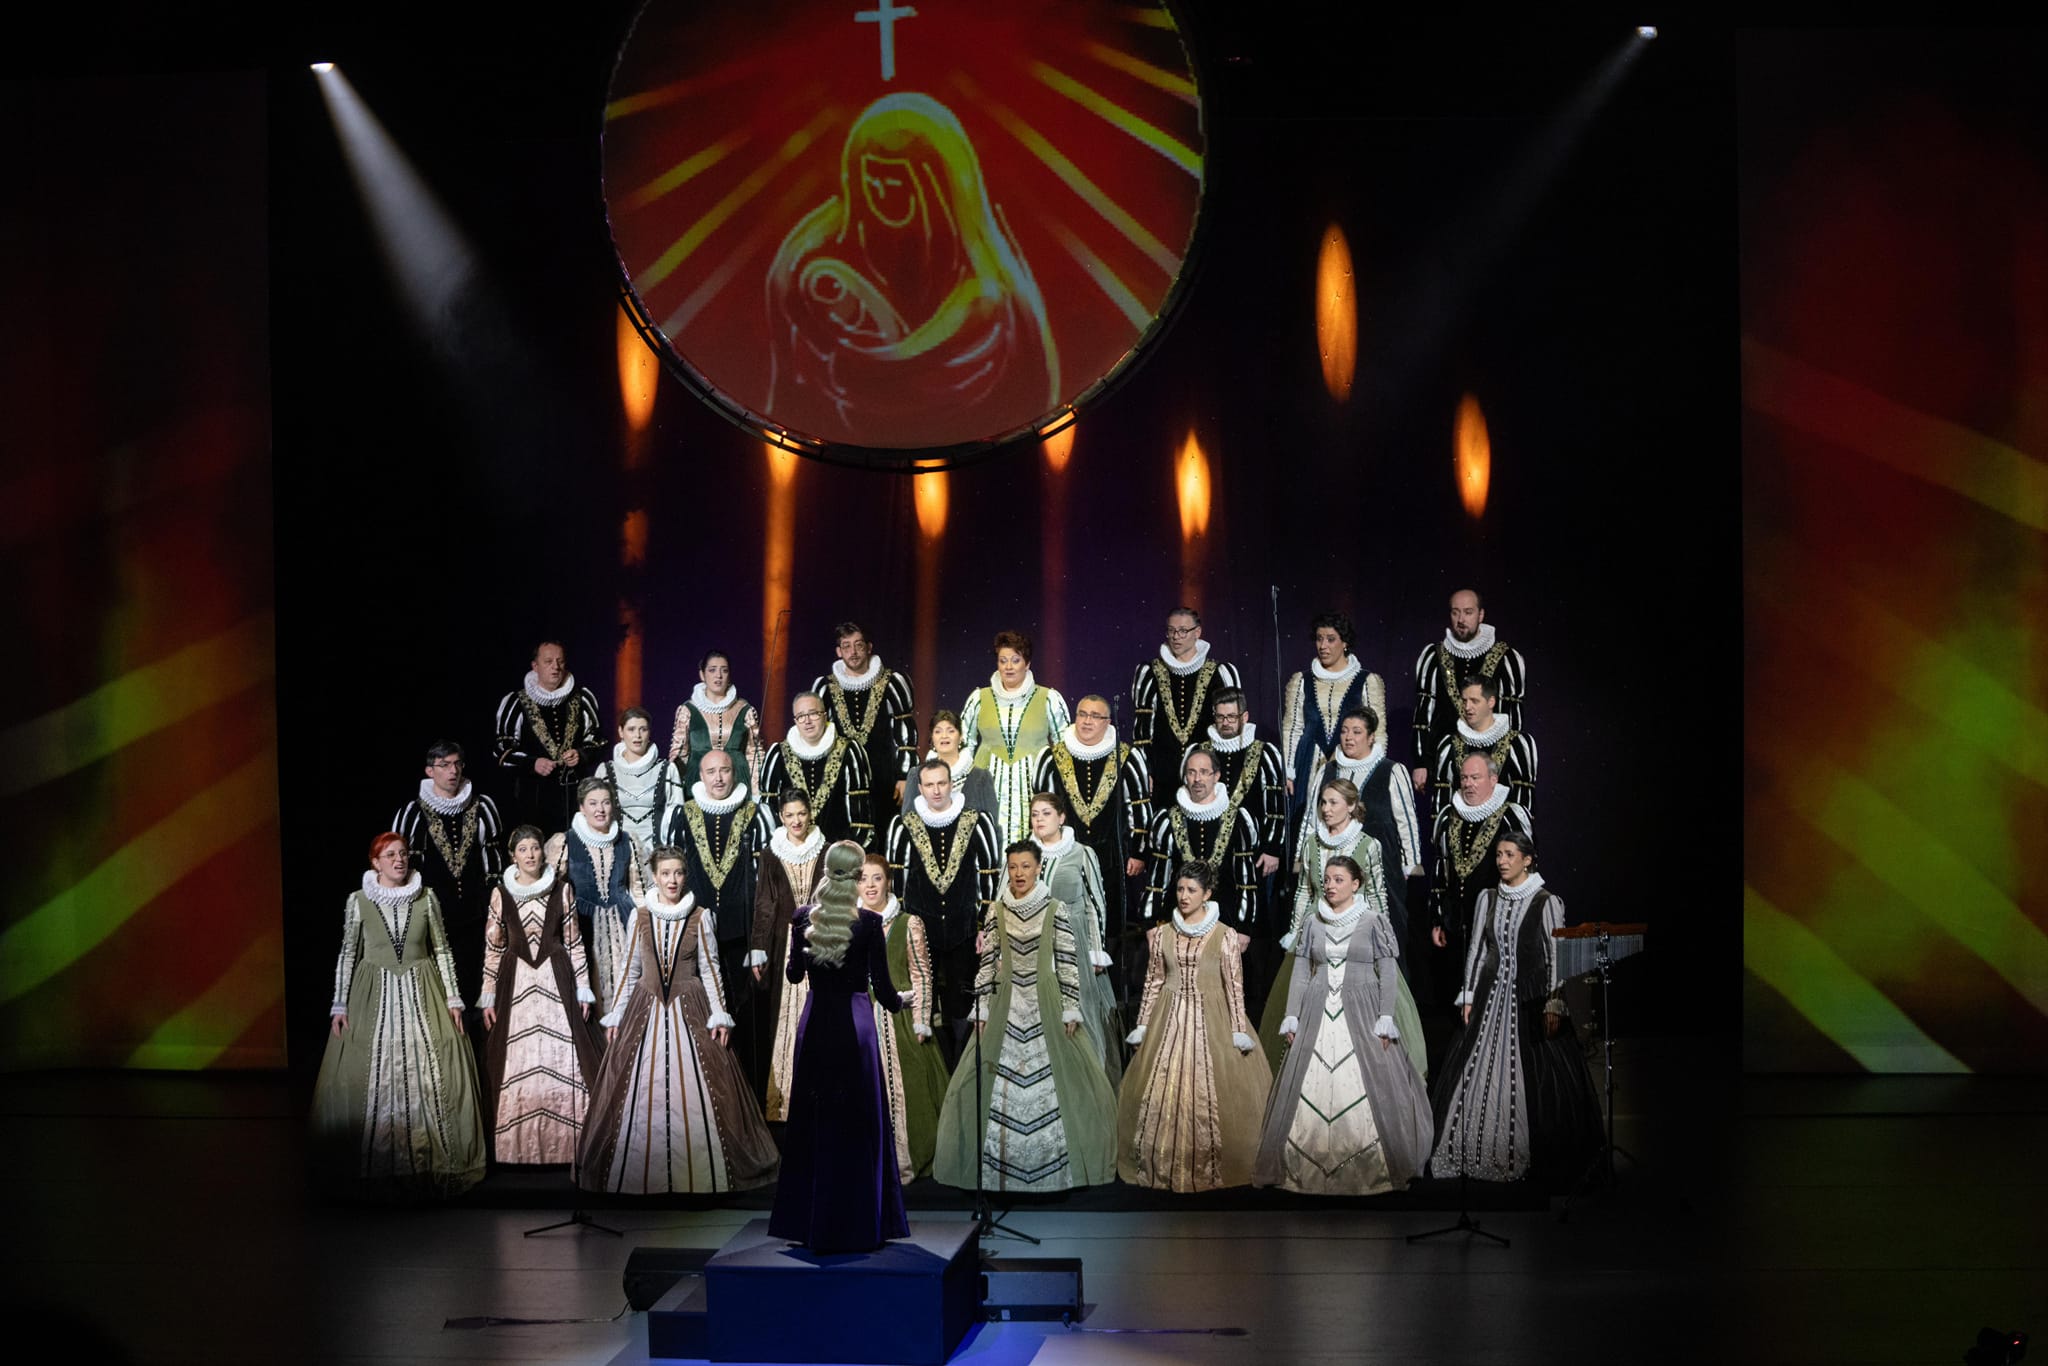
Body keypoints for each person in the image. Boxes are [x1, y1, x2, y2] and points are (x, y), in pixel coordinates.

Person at [576, 847, 779, 1195]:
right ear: (655, 877)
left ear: (685, 876)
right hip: (646, 1004)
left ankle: (699, 1171)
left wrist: (719, 1014)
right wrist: (617, 1015)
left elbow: (711, 970)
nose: (672, 880)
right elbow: (629, 970)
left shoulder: (700, 916)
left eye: (679, 873)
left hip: (691, 1005)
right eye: (666, 873)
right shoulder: (640, 916)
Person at [932, 843, 1117, 1192]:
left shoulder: (1055, 909)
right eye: (1014, 867)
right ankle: (1001, 1173)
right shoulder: (997, 910)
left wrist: (1071, 1005)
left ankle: (1053, 1173)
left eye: (1026, 866)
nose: (1019, 873)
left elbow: (1067, 962)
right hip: (1005, 1000)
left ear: (1038, 868)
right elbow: (987, 963)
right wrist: (982, 1006)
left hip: (1045, 998)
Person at [309, 833, 486, 1201]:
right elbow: (348, 953)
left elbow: (441, 949)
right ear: (376, 862)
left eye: (403, 853)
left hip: (423, 988)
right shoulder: (359, 900)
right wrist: (339, 1004)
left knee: (433, 1068)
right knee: (372, 1070)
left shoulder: (426, 897)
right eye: (390, 855)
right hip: (373, 989)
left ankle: (431, 1161)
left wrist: (453, 998)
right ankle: (377, 1166)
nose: (399, 860)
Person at [1252, 855, 1433, 1196]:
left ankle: (1373, 1165)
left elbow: (1388, 971)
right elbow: (1302, 971)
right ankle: (1300, 1166)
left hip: (1362, 1007)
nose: (1330, 886)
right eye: (1327, 879)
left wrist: (1385, 1017)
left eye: (1338, 879)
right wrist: (1292, 1014)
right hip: (1317, 1007)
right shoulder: (1312, 922)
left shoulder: (1373, 921)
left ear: (1355, 884)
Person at [767, 842, 918, 1251]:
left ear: (826, 872)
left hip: (816, 1022)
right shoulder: (869, 923)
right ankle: (858, 1223)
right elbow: (883, 989)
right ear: (855, 877)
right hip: (856, 1024)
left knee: (814, 1120)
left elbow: (794, 975)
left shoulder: (803, 918)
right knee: (858, 1122)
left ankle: (810, 1223)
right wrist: (901, 1002)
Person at [1430, 831, 1599, 1187]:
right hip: (1490, 994)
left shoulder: (1546, 901)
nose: (1502, 861)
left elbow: (1556, 955)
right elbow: (1478, 950)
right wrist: (1469, 993)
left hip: (1529, 997)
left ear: (1528, 859)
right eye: (1499, 855)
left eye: (1509, 855)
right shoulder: (1488, 898)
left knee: (1537, 1074)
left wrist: (1554, 1001)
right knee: (1470, 1069)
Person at [1258, 779, 1426, 1082]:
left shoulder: (1368, 845)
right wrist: (1295, 933)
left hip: (1355, 933)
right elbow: (1304, 892)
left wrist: (1381, 936)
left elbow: (1376, 894)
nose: (1326, 809)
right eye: (1323, 802)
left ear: (1351, 806)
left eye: (1333, 802)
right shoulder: (1312, 843)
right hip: (1316, 931)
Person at [1117, 861, 1271, 1192]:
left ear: (1207, 894)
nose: (1184, 896)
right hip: (1169, 1014)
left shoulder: (1225, 935)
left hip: (1213, 1015)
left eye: (1192, 890)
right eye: (1180, 889)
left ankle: (1212, 1164)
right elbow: (1153, 983)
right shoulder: (1163, 934)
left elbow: (1234, 987)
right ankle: (1164, 1163)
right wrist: (1142, 1026)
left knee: (1215, 1093)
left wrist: (1238, 1030)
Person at [478, 826, 599, 1165]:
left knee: (565, 1057)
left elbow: (574, 942)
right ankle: (517, 1150)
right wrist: (488, 993)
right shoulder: (502, 893)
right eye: (523, 849)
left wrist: (584, 987)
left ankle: (570, 1146)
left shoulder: (562, 890)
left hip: (556, 977)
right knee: (516, 1059)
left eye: (534, 848)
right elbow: (493, 947)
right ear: (512, 856)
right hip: (515, 981)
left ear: (543, 852)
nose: (530, 854)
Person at [665, 747, 774, 1097]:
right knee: (700, 1010)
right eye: (711, 771)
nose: (718, 778)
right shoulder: (682, 815)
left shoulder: (756, 814)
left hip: (741, 932)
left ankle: (748, 1094)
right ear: (700, 776)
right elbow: (670, 875)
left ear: (734, 773)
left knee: (745, 1009)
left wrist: (759, 939)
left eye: (724, 770)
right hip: (695, 932)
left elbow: (765, 882)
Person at [885, 757, 1003, 1060]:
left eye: (941, 783)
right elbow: (897, 881)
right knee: (925, 1002)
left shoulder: (978, 821)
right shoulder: (903, 825)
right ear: (920, 788)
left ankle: (962, 1064)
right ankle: (934, 1065)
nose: (936, 790)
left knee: (961, 1001)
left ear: (952, 784)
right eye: (929, 785)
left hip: (964, 929)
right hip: (921, 931)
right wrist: (902, 929)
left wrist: (984, 925)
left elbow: (989, 875)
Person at [392, 740, 504, 1021]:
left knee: (475, 980)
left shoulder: (482, 806)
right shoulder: (414, 812)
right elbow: (401, 863)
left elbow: (493, 859)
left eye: (457, 764)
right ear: (430, 771)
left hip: (475, 912)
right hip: (432, 914)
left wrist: (494, 902)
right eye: (444, 765)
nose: (453, 771)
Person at [1429, 751, 1535, 1042]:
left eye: (1475, 777)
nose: (1468, 784)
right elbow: (1441, 866)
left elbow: (1526, 865)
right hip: (1457, 921)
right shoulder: (1449, 815)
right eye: (1464, 777)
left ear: (1493, 779)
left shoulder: (1511, 815)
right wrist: (1437, 917)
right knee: (1456, 992)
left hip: (1496, 921)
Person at [857, 850, 949, 1181]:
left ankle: (906, 1161)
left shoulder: (908, 924)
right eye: (863, 879)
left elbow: (922, 975)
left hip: (901, 1022)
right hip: (862, 1021)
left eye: (877, 878)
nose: (870, 885)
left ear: (889, 882)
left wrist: (921, 1019)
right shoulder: (850, 924)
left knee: (910, 1092)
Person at [1306, 708, 1425, 961]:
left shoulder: (1391, 770)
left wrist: (1410, 864)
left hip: (1382, 867)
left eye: (1357, 732)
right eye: (1344, 731)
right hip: (1334, 867)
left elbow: (1406, 821)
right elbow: (1311, 819)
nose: (1349, 737)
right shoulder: (1327, 771)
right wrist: (1303, 858)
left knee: (1383, 934)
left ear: (1371, 737)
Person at [1202, 688, 1288, 1007]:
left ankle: (1251, 1004)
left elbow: (1275, 805)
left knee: (1252, 930)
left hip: (1253, 856)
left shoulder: (1264, 752)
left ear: (1244, 717)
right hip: (1211, 856)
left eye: (1231, 717)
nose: (1225, 722)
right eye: (1220, 716)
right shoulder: (1202, 751)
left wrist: (1272, 847)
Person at [1028, 792, 1120, 1085]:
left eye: (1046, 813)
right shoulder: (1023, 856)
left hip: (1074, 942)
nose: (1039, 820)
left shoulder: (1081, 853)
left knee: (1079, 1013)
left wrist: (1096, 950)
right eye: (1035, 814)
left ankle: (1085, 1083)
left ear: (1061, 817)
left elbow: (1096, 905)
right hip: (1034, 946)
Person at [1279, 612, 1386, 844]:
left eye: (1330, 639)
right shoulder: (1302, 681)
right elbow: (1292, 728)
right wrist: (1288, 770)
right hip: (1308, 762)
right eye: (1319, 639)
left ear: (1344, 642)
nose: (1323, 646)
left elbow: (1377, 731)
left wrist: (1375, 770)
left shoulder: (1366, 681)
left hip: (1350, 762)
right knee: (1306, 823)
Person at [1411, 588, 1526, 796]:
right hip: (1446, 759)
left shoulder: (1506, 658)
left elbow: (1513, 719)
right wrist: (1421, 761)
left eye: (1468, 612)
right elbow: (1424, 713)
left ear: (1481, 615)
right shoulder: (1434, 656)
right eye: (1455, 612)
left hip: (1492, 759)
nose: (1461, 619)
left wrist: (1509, 761)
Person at [754, 790, 827, 1119]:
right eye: (789, 815)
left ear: (810, 813)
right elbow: (764, 903)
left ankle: (821, 1096)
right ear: (781, 817)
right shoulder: (772, 854)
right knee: (784, 1020)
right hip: (784, 944)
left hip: (821, 941)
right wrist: (758, 947)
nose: (796, 821)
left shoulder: (826, 849)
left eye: (801, 813)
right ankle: (782, 1102)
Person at [959, 630, 1071, 842]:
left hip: (1033, 785)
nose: (1008, 666)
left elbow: (1063, 746)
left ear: (1027, 664)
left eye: (1015, 660)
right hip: (986, 784)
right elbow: (964, 742)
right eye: (1003, 661)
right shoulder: (979, 698)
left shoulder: (1048, 698)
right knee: (987, 840)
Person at [546, 778, 644, 1017]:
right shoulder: (565, 842)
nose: (600, 809)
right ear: (582, 807)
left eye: (606, 802)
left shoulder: (628, 840)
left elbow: (639, 890)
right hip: (583, 922)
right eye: (593, 803)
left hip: (623, 921)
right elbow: (551, 891)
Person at [1130, 606, 1241, 804]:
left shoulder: (1219, 673)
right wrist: (1145, 770)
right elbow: (1143, 731)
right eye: (1171, 630)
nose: (1176, 637)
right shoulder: (1150, 673)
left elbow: (1231, 729)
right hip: (1163, 774)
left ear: (1197, 632)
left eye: (1182, 631)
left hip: (1205, 776)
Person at [493, 640, 603, 834]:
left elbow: (598, 741)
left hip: (574, 797)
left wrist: (581, 754)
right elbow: (501, 752)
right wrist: (532, 763)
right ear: (535, 666)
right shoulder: (516, 702)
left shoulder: (582, 698)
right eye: (548, 661)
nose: (556, 667)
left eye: (560, 661)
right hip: (532, 799)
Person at [1143, 748, 1260, 925]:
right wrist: (1151, 923)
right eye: (1191, 772)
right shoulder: (1168, 819)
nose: (1197, 779)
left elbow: (1246, 881)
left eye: (1204, 772)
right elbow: (1158, 879)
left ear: (1216, 776)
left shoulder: (1238, 819)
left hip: (1225, 920)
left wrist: (1244, 928)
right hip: (1178, 918)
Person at [811, 621, 918, 809]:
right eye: (846, 646)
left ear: (869, 648)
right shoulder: (825, 687)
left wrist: (904, 777)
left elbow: (905, 734)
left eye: (858, 645)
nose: (853, 652)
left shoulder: (892, 682)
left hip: (884, 777)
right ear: (839, 652)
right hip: (840, 777)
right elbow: (816, 735)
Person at [760, 691, 875, 850]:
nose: (807, 721)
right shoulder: (778, 754)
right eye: (801, 716)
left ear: (825, 716)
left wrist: (847, 853)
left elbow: (861, 815)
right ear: (795, 721)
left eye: (813, 713)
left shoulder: (850, 750)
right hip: (791, 851)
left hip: (837, 851)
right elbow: (769, 811)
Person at [1429, 674, 1538, 814]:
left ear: (1491, 702)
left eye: (1474, 701)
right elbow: (1442, 798)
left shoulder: (1517, 743)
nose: (1467, 707)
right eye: (1464, 701)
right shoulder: (1449, 744)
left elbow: (1523, 800)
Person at [594, 706, 681, 870]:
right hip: (616, 855)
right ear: (621, 732)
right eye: (631, 729)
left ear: (649, 733)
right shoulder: (605, 771)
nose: (638, 736)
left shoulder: (667, 770)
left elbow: (676, 817)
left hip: (657, 857)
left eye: (643, 729)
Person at [669, 649, 766, 792]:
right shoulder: (688, 710)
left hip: (737, 781)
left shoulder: (745, 709)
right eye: (712, 670)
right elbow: (678, 755)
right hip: (698, 782)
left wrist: (757, 791)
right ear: (702, 674)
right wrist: (674, 791)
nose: (718, 675)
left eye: (724, 670)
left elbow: (755, 754)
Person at [899, 708, 998, 826]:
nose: (944, 736)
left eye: (950, 731)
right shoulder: (916, 776)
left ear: (960, 737)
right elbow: (908, 822)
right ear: (932, 738)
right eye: (938, 731)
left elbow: (991, 824)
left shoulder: (981, 777)